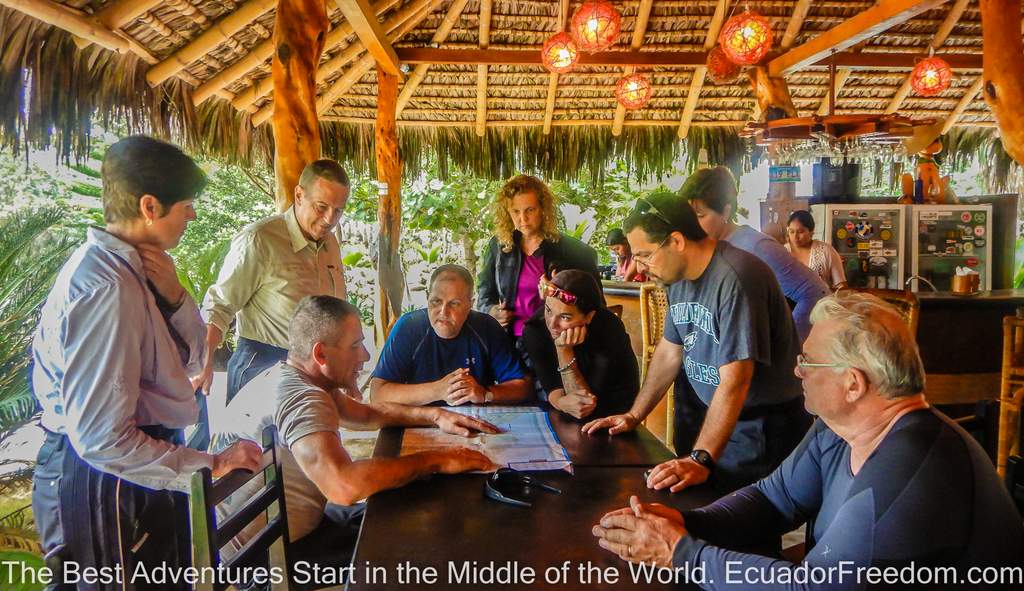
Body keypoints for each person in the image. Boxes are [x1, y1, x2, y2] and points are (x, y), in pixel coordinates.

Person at [593, 292, 1024, 588]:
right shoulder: (840, 428)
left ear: (852, 383)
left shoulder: (917, 465)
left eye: (808, 361)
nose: (797, 371)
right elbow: (771, 500)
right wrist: (685, 523)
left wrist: (681, 553)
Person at [30, 136, 263, 589]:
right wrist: (207, 464)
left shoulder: (145, 270)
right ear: (150, 206)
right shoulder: (105, 286)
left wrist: (176, 297)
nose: (192, 214)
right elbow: (101, 439)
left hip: (140, 464)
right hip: (106, 481)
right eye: (186, 205)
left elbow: (197, 359)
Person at [215, 295, 498, 565]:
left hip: (283, 532)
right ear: (321, 353)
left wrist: (435, 416)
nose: (364, 355)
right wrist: (435, 460)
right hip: (267, 557)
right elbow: (344, 486)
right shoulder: (302, 398)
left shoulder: (298, 379)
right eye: (355, 345)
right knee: (425, 543)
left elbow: (366, 413)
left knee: (406, 507)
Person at [583, 184, 811, 494]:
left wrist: (701, 458)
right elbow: (669, 351)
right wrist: (635, 414)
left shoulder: (737, 277)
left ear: (676, 241)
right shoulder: (676, 277)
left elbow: (736, 379)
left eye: (645, 255)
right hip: (717, 415)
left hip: (760, 424)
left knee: (742, 526)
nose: (639, 267)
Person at [197, 159, 351, 404]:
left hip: (313, 371)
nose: (329, 219)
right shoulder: (259, 240)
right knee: (256, 444)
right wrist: (203, 360)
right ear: (299, 195)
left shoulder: (330, 243)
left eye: (338, 210)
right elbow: (220, 304)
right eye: (321, 207)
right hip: (262, 364)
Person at [685, 167, 828, 341]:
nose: (691, 224)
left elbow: (815, 292)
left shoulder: (757, 246)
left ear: (726, 211)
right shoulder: (705, 247)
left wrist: (789, 345)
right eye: (688, 216)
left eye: (700, 215)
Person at [371, 265, 532, 405]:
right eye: (436, 301)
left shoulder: (486, 327)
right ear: (427, 298)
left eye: (454, 303)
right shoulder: (409, 327)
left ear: (470, 304)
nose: (443, 312)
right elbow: (377, 394)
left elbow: (523, 386)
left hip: (476, 424)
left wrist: (485, 393)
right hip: (421, 422)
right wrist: (438, 390)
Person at [476, 174, 600, 343]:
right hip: (508, 342)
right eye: (515, 211)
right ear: (507, 212)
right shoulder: (498, 247)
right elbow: (484, 292)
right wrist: (491, 311)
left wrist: (557, 295)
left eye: (530, 210)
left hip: (552, 343)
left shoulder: (573, 251)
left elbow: (594, 305)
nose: (523, 219)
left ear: (543, 209)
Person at [521, 270, 639, 419]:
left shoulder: (608, 328)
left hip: (614, 414)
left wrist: (564, 351)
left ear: (589, 316)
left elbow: (586, 405)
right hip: (563, 417)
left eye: (565, 317)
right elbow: (550, 385)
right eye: (548, 310)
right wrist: (560, 402)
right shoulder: (535, 330)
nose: (552, 324)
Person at [786, 209, 847, 290]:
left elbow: (841, 286)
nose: (795, 236)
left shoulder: (826, 251)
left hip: (822, 301)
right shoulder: (782, 252)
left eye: (800, 232)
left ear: (811, 232)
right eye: (791, 231)